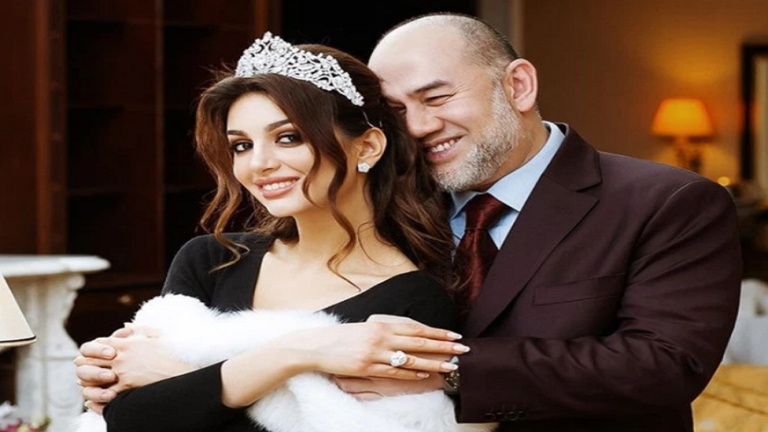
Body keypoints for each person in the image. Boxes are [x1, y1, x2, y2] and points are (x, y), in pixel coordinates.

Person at [78, 13, 742, 432]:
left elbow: (663, 365)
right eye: (397, 112)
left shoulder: (665, 201)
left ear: (517, 85)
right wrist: (135, 367)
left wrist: (443, 371)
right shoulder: (393, 204)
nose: (418, 127)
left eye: (436, 96)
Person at [73, 32, 475, 432]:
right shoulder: (211, 260)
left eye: (288, 138)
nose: (258, 164)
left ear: (367, 146)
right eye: (242, 145)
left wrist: (188, 380)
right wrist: (295, 353)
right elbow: (127, 418)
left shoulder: (414, 300)